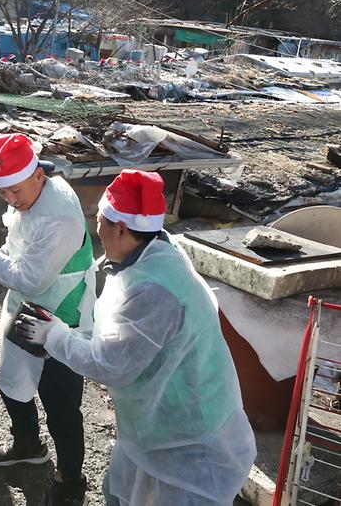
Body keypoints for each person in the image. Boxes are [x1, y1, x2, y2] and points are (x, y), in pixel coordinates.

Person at [18, 170, 257, 506]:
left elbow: (112, 365)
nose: (95, 226)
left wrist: (54, 336)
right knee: (122, 491)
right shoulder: (150, 252)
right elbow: (123, 335)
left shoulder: (154, 291)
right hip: (154, 423)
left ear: (120, 228)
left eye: (100, 219)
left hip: (188, 438)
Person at [0, 133, 96, 505]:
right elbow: (14, 255)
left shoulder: (59, 214)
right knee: (10, 381)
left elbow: (32, 277)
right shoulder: (29, 201)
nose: (12, 200)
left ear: (37, 175)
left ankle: (68, 483)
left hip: (61, 316)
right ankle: (28, 444)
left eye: (15, 190)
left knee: (61, 404)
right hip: (26, 308)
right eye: (3, 193)